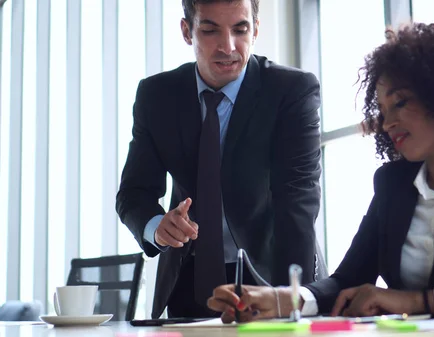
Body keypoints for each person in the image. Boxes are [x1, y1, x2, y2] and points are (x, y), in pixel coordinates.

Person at [207, 23, 434, 321]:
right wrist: (282, 299)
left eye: (401, 103)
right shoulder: (394, 185)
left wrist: (417, 301)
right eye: (383, 110)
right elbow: (348, 280)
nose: (388, 122)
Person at [116, 0, 323, 319]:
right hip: (188, 280)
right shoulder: (157, 96)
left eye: (240, 30)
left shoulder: (290, 91)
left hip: (269, 276)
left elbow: (298, 199)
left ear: (256, 29)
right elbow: (134, 193)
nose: (228, 47)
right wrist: (159, 227)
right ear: (187, 31)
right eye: (210, 30)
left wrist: (290, 299)